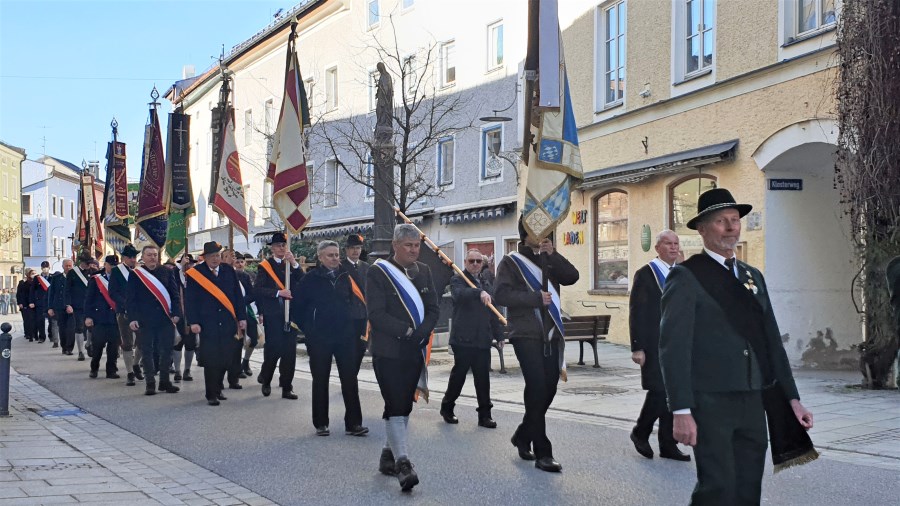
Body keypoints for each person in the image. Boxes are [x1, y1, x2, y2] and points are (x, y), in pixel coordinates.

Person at [659, 188, 814, 505]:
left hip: (753, 399)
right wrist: (681, 410)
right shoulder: (687, 277)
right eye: (721, 221)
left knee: (748, 487)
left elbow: (771, 341)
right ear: (702, 229)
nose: (731, 227)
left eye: (735, 220)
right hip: (710, 401)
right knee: (717, 487)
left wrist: (792, 398)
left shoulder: (752, 277)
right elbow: (673, 348)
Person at [494, 219, 579, 473]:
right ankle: (543, 451)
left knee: (549, 387)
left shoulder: (548, 258)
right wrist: (534, 298)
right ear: (525, 234)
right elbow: (501, 295)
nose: (542, 234)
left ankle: (523, 434)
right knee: (537, 385)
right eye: (536, 229)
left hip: (550, 332)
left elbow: (572, 277)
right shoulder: (511, 262)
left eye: (545, 230)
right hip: (525, 333)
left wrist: (553, 256)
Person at [366, 224, 439, 492]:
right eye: (408, 245)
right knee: (395, 402)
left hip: (414, 349)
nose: (413, 250)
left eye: (417, 245)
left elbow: (433, 309)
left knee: (404, 404)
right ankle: (403, 464)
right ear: (395, 245)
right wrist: (407, 331)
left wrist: (422, 332)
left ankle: (389, 455)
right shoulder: (378, 272)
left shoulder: (424, 271)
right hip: (388, 350)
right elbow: (376, 314)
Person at [628, 230, 690, 462]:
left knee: (672, 392)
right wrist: (637, 346)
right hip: (654, 343)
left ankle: (668, 444)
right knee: (660, 390)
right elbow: (637, 312)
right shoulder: (646, 274)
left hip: (679, 343)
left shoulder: (681, 273)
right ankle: (640, 431)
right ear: (657, 248)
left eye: (676, 243)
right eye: (668, 243)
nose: (673, 247)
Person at [295, 240, 368, 437]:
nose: (335, 258)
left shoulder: (346, 275)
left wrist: (356, 329)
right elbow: (297, 307)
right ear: (320, 257)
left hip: (345, 336)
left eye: (336, 255)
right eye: (330, 255)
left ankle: (354, 423)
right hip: (320, 337)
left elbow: (356, 302)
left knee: (350, 379)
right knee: (321, 379)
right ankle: (321, 423)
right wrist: (310, 329)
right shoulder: (310, 279)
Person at [439, 249, 501, 429]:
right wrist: (478, 293)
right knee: (459, 376)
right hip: (463, 339)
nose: (475, 264)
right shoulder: (458, 279)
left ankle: (485, 415)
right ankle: (447, 407)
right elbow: (459, 295)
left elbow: (493, 311)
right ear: (465, 262)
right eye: (471, 261)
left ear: (482, 264)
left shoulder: (485, 282)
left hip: (482, 338)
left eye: (478, 261)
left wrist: (499, 335)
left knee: (483, 379)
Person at [184, 242, 247, 406]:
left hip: (228, 321)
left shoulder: (228, 270)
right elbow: (190, 300)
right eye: (211, 256)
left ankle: (218, 387)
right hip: (207, 323)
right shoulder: (196, 273)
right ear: (205, 257)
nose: (215, 259)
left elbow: (237, 296)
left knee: (226, 358)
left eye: (217, 255)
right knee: (212, 359)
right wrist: (193, 322)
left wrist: (242, 317)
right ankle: (211, 393)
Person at [127, 245, 183, 395]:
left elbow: (174, 295)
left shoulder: (167, 271)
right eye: (149, 255)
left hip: (165, 318)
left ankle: (164, 382)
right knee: (147, 351)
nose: (153, 257)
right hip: (145, 318)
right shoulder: (136, 274)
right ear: (143, 257)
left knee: (166, 351)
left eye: (155, 255)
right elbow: (131, 298)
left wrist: (176, 313)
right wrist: (132, 318)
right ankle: (150, 383)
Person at [253, 232, 303, 400]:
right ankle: (266, 380)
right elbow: (258, 289)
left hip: (291, 314)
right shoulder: (265, 266)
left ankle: (287, 386)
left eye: (284, 245)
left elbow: (303, 281)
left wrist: (294, 263)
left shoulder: (291, 265)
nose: (281, 248)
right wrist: (278, 293)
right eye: (278, 246)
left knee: (289, 352)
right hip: (274, 314)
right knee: (273, 349)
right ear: (272, 249)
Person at [84, 255, 121, 379]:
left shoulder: (120, 278)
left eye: (115, 265)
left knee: (113, 347)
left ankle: (111, 370)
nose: (112, 268)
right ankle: (94, 368)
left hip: (114, 317)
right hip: (99, 317)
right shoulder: (97, 279)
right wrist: (88, 316)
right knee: (98, 345)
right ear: (105, 265)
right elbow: (89, 299)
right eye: (110, 265)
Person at [110, 245, 141, 386]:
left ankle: (136, 363)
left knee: (142, 341)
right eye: (130, 257)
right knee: (127, 343)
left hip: (140, 311)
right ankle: (130, 373)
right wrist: (126, 303)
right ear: (124, 258)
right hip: (124, 311)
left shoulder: (140, 270)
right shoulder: (117, 271)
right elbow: (113, 292)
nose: (133, 259)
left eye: (134, 257)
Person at [341, 234, 370, 366]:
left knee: (361, 348)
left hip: (363, 315)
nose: (355, 251)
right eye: (352, 248)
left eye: (358, 248)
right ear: (346, 250)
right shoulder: (341, 267)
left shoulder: (366, 267)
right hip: (348, 315)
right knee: (348, 349)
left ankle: (352, 374)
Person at [172, 253, 198, 382]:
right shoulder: (175, 276)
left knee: (190, 344)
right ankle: (177, 370)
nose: (189, 265)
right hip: (178, 314)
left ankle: (187, 369)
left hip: (192, 315)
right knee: (177, 343)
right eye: (187, 263)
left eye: (191, 263)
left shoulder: (196, 278)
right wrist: (181, 266)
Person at [64, 254, 93, 361]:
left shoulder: (92, 272)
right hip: (77, 305)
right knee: (79, 327)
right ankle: (81, 351)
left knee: (91, 326)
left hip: (91, 305)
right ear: (82, 262)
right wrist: (68, 304)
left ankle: (89, 344)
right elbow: (67, 290)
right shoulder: (72, 273)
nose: (89, 265)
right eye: (87, 263)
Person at [236, 253, 259, 378]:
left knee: (254, 339)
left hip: (247, 309)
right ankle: (236, 367)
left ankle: (246, 361)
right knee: (238, 340)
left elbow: (253, 294)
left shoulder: (247, 276)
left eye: (241, 262)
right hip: (234, 311)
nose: (240, 264)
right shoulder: (230, 275)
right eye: (237, 262)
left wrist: (243, 302)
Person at [47, 260, 72, 350]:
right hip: (60, 306)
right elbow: (51, 293)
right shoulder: (56, 278)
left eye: (70, 266)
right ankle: (64, 347)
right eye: (66, 266)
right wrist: (50, 307)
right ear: (62, 266)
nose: (68, 267)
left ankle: (69, 347)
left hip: (72, 306)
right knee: (62, 328)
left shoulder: (76, 277)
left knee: (71, 328)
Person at [29, 261, 52, 344]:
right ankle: (42, 337)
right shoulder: (37, 278)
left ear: (49, 268)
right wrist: (31, 301)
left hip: (50, 302)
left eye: (46, 267)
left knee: (51, 321)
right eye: (43, 267)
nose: (45, 269)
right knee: (40, 320)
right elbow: (32, 290)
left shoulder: (53, 277)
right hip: (40, 302)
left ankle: (51, 335)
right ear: (41, 268)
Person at [18, 270, 35, 342]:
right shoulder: (22, 283)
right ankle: (27, 333)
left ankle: (33, 333)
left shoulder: (36, 282)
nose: (33, 275)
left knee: (33, 320)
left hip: (33, 304)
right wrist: (20, 303)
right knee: (26, 319)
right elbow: (19, 294)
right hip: (25, 304)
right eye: (32, 273)